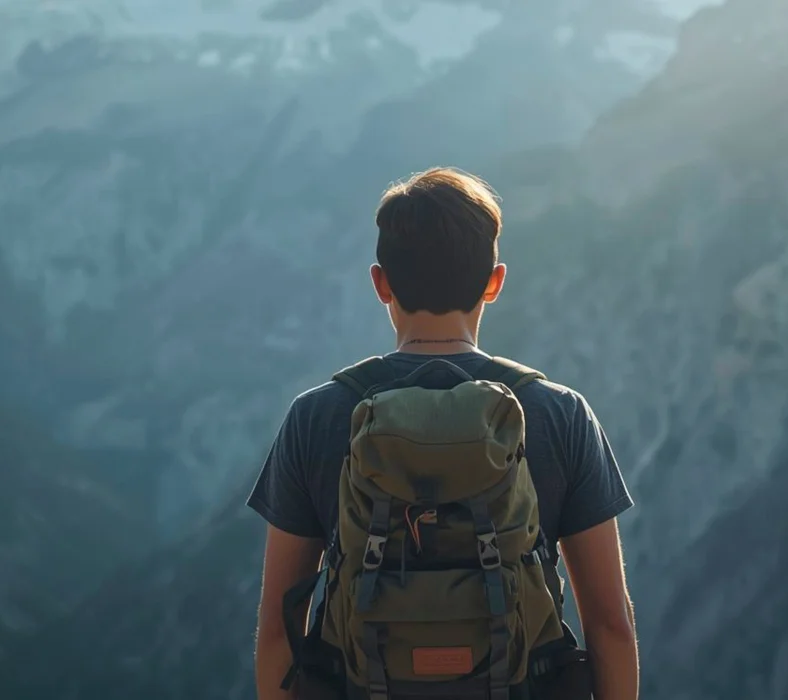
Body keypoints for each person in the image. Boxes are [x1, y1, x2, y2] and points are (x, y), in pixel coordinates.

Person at [247, 166, 639, 700]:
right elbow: (610, 627)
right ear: (495, 282)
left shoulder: (316, 416)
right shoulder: (558, 414)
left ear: (380, 284)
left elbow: (277, 633)